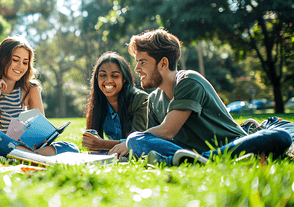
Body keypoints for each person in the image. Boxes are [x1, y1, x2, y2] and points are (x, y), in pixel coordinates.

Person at [108, 29, 292, 165]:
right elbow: (151, 140)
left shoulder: (189, 81)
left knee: (280, 136)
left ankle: (204, 160)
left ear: (163, 63)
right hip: (189, 152)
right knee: (137, 140)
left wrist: (130, 141)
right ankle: (193, 160)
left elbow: (167, 131)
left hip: (235, 144)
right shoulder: (154, 100)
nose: (137, 69)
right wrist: (132, 145)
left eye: (142, 62)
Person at [0, 36, 79, 156]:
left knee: (71, 147)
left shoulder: (31, 89)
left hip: (21, 145)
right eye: (15, 60)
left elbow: (40, 130)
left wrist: (37, 139)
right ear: (2, 60)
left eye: (25, 62)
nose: (20, 66)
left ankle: (21, 155)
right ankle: (29, 156)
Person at [82, 52, 148, 153]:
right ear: (97, 78)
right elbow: (93, 147)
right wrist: (91, 143)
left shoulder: (140, 99)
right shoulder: (98, 103)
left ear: (124, 79)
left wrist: (101, 144)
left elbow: (138, 141)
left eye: (115, 76)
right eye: (103, 75)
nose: (108, 80)